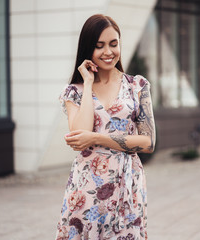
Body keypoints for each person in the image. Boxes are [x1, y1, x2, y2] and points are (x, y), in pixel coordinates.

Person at [55, 14, 156, 240]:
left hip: (128, 185)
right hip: (87, 185)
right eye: (99, 46)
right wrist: (88, 82)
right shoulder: (76, 91)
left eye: (113, 43)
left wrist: (97, 139)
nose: (108, 52)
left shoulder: (137, 86)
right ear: (88, 49)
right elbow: (80, 135)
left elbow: (148, 142)